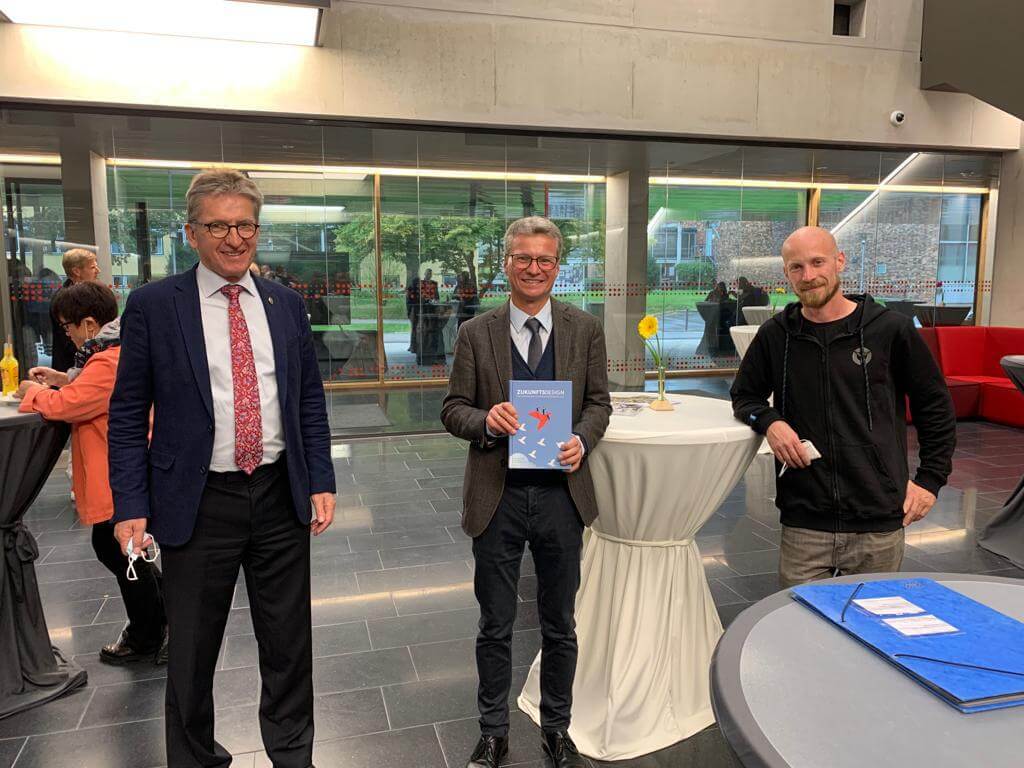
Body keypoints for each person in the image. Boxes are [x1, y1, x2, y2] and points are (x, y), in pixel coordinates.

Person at [107, 169, 336, 768]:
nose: (234, 238)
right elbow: (128, 412)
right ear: (191, 232)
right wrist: (129, 503)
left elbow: (307, 397)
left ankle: (293, 754)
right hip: (197, 498)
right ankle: (194, 757)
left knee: (288, 644)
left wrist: (321, 480)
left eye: (245, 225)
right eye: (218, 226)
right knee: (190, 650)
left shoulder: (285, 304)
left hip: (280, 491)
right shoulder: (155, 306)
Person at [441, 216, 610, 768]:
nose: (533, 269)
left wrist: (582, 440)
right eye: (522, 258)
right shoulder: (475, 332)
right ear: (506, 263)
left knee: (560, 623)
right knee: (495, 623)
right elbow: (452, 410)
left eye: (545, 260)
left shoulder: (584, 329)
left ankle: (556, 728)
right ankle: (494, 732)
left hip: (564, 497)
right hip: (498, 497)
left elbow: (599, 405)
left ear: (557, 267)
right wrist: (486, 420)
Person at [730, 226, 956, 587]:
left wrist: (930, 480)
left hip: (878, 516)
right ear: (786, 274)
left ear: (839, 261)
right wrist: (771, 422)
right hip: (805, 519)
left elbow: (935, 407)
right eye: (796, 267)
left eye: (818, 262)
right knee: (798, 629)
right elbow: (744, 396)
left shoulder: (889, 331)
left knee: (870, 631)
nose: (809, 276)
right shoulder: (776, 335)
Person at [17, 281, 167, 664]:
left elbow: (71, 406)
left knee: (120, 551)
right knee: (129, 551)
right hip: (120, 471)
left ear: (88, 323)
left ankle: (150, 631)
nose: (65, 334)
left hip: (119, 475)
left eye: (67, 326)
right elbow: (87, 392)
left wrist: (31, 393)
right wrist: (63, 379)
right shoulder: (110, 352)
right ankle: (159, 623)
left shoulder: (107, 359)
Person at [50, 249, 101, 373]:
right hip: (71, 369)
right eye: (92, 267)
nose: (98, 271)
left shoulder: (91, 293)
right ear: (77, 271)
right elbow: (71, 342)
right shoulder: (64, 300)